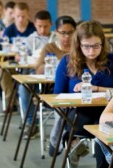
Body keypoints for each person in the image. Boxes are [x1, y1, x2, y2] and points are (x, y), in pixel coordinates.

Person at [53, 20, 113, 168]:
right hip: (79, 115)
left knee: (105, 129)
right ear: (78, 44)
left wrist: (96, 89)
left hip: (106, 113)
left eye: (96, 46)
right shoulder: (68, 62)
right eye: (86, 46)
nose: (91, 51)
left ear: (102, 42)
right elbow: (57, 95)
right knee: (101, 128)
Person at [35, 15, 76, 156]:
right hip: (54, 89)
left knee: (71, 108)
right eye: (62, 33)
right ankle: (71, 141)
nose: (66, 37)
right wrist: (55, 65)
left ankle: (66, 140)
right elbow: (38, 68)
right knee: (64, 105)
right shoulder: (50, 47)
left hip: (76, 91)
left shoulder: (80, 49)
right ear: (56, 32)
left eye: (70, 32)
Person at [17, 10, 56, 139]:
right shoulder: (30, 40)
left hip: (54, 78)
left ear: (51, 24)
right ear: (35, 25)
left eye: (46, 26)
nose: (43, 29)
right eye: (40, 26)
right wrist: (20, 56)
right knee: (23, 88)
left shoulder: (57, 38)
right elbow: (19, 55)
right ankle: (31, 123)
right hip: (36, 76)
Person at [0, 2, 36, 116]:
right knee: (2, 71)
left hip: (30, 63)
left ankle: (33, 100)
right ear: (13, 15)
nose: (20, 19)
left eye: (23, 16)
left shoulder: (33, 28)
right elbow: (4, 48)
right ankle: (11, 101)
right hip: (14, 62)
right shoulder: (9, 30)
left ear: (28, 15)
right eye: (18, 16)